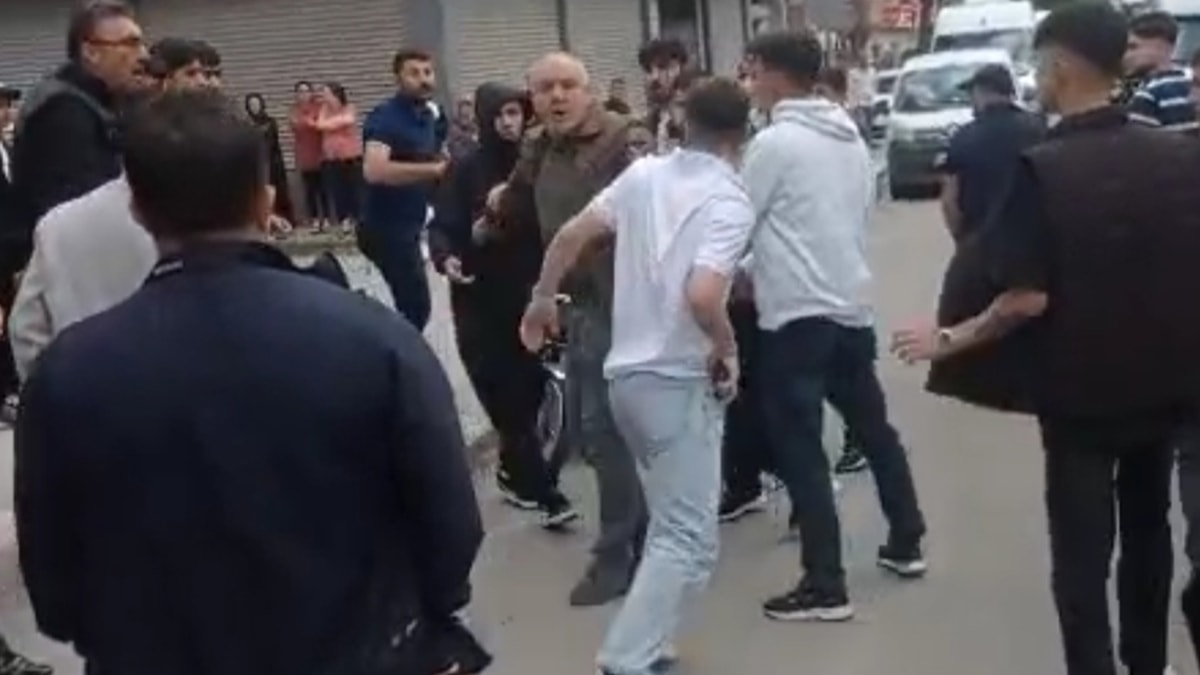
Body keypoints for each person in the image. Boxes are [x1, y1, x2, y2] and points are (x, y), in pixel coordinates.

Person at [15, 89, 489, 675]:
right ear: (266, 202)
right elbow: (449, 524)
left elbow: (54, 581)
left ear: (138, 210)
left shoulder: (68, 373)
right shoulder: (372, 338)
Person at [892, 4, 1200, 674]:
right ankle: (1148, 663)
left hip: (1080, 398)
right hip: (1165, 385)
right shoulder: (1178, 153)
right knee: (1149, 533)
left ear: (1060, 68)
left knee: (1082, 554)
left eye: (1039, 64)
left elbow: (1024, 298)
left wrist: (949, 337)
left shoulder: (1044, 169)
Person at [519, 76, 752, 675]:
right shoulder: (729, 199)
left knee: (679, 525)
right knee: (685, 533)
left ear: (684, 124)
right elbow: (704, 295)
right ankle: (626, 656)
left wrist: (543, 298)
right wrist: (726, 346)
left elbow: (570, 234)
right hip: (676, 377)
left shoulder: (645, 175)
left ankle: (653, 642)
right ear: (741, 135)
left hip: (626, 374)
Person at [741, 31, 927, 622]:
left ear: (773, 73)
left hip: (796, 315)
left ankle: (825, 584)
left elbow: (739, 222)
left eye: (753, 70)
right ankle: (906, 540)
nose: (749, 81)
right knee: (874, 431)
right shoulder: (847, 134)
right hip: (849, 306)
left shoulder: (773, 143)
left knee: (801, 448)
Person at [492, 52, 647, 608]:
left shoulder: (625, 141)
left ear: (590, 90)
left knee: (602, 431)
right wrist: (486, 215)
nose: (557, 97)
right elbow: (514, 197)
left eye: (568, 85)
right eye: (544, 88)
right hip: (580, 303)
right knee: (594, 432)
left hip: (626, 302)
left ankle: (616, 555)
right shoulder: (540, 145)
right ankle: (643, 535)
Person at [428, 82, 577, 527]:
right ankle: (546, 494)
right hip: (479, 296)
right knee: (503, 394)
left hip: (528, 293)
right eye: (502, 115)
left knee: (529, 392)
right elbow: (443, 225)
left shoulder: (537, 164)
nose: (510, 123)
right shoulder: (466, 168)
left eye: (516, 113)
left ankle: (515, 474)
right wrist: (447, 257)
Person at [362, 48, 449, 329]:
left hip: (412, 223)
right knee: (416, 306)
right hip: (386, 229)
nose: (423, 79)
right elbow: (374, 170)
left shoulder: (431, 114)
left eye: (428, 72)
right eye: (414, 73)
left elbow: (437, 152)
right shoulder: (386, 118)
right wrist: (433, 171)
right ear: (398, 78)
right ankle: (383, 345)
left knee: (412, 305)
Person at [1123, 11, 1198, 133]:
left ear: (1161, 46)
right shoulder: (1190, 82)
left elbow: (1138, 141)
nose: (1126, 55)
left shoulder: (1149, 93)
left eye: (1133, 47)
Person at [316, 82, 363, 233]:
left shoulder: (349, 107)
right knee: (338, 191)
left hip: (351, 156)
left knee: (355, 190)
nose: (323, 96)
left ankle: (359, 219)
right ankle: (345, 220)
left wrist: (330, 124)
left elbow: (348, 120)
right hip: (331, 158)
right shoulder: (324, 109)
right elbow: (320, 125)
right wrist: (334, 123)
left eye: (326, 93)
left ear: (335, 94)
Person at [244, 93, 295, 226]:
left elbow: (274, 142)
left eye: (256, 104)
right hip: (256, 161)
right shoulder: (246, 124)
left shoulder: (270, 122)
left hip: (272, 160)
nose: (254, 107)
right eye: (251, 105)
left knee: (279, 191)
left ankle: (286, 220)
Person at [639, 38, 691, 151]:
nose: (654, 77)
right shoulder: (652, 120)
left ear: (678, 69)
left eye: (662, 68)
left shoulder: (696, 117)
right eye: (648, 70)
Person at [290, 80, 329, 231]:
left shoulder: (318, 108)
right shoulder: (294, 111)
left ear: (311, 93)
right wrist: (310, 122)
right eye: (300, 91)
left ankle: (326, 218)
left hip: (320, 154)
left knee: (323, 189)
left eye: (306, 91)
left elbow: (320, 125)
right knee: (310, 190)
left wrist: (310, 122)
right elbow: (296, 125)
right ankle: (314, 219)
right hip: (304, 156)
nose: (303, 94)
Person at [447, 94, 479, 159]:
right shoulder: (454, 130)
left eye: (468, 105)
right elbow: (458, 153)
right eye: (462, 105)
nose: (465, 109)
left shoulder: (477, 126)